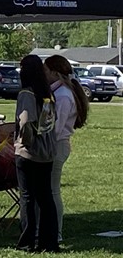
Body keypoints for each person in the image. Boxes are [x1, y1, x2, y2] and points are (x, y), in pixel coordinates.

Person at [14, 55, 58, 253]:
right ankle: (49, 242)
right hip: (47, 151)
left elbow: (25, 121)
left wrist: (24, 142)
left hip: (29, 152)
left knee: (27, 197)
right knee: (46, 198)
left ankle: (27, 242)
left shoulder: (26, 93)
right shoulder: (47, 93)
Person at [43, 54, 89, 243]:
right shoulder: (61, 92)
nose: (44, 74)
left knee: (53, 190)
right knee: (50, 189)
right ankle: (50, 229)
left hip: (57, 145)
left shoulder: (62, 96)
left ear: (54, 72)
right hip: (58, 144)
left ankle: (56, 232)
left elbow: (57, 126)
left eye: (46, 71)